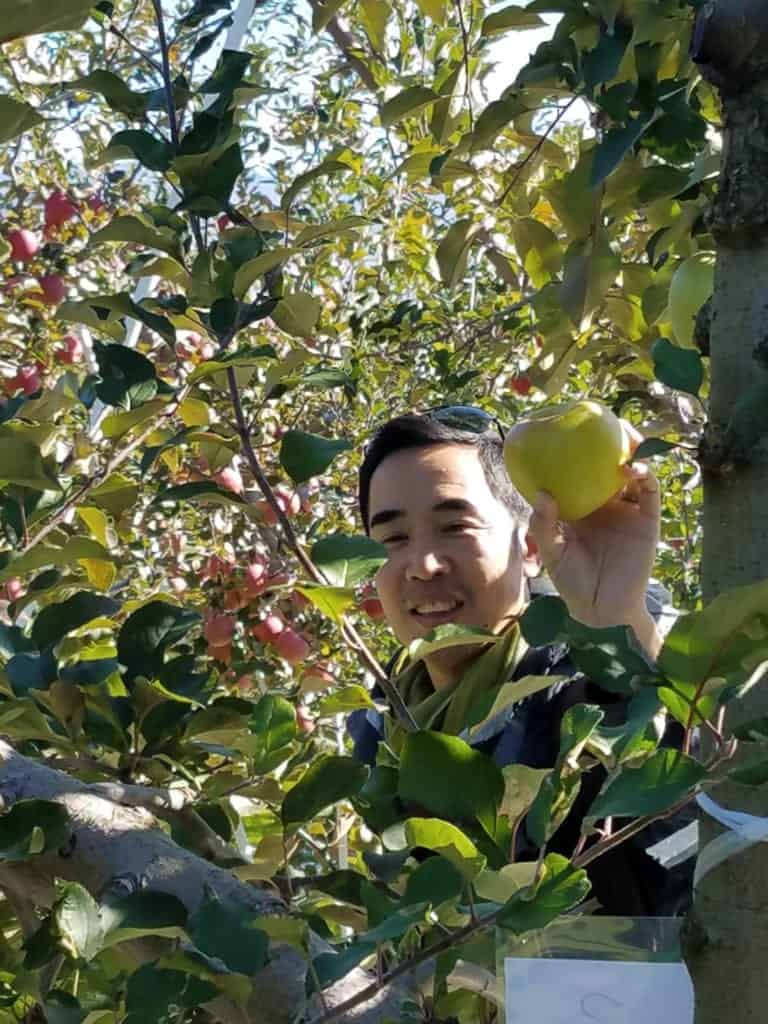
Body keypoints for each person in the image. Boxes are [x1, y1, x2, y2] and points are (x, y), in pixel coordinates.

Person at [348, 407, 692, 916]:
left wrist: (618, 628)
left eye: (454, 527)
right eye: (394, 539)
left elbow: (690, 855)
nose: (422, 565)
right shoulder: (378, 729)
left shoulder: (582, 686)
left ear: (529, 546)